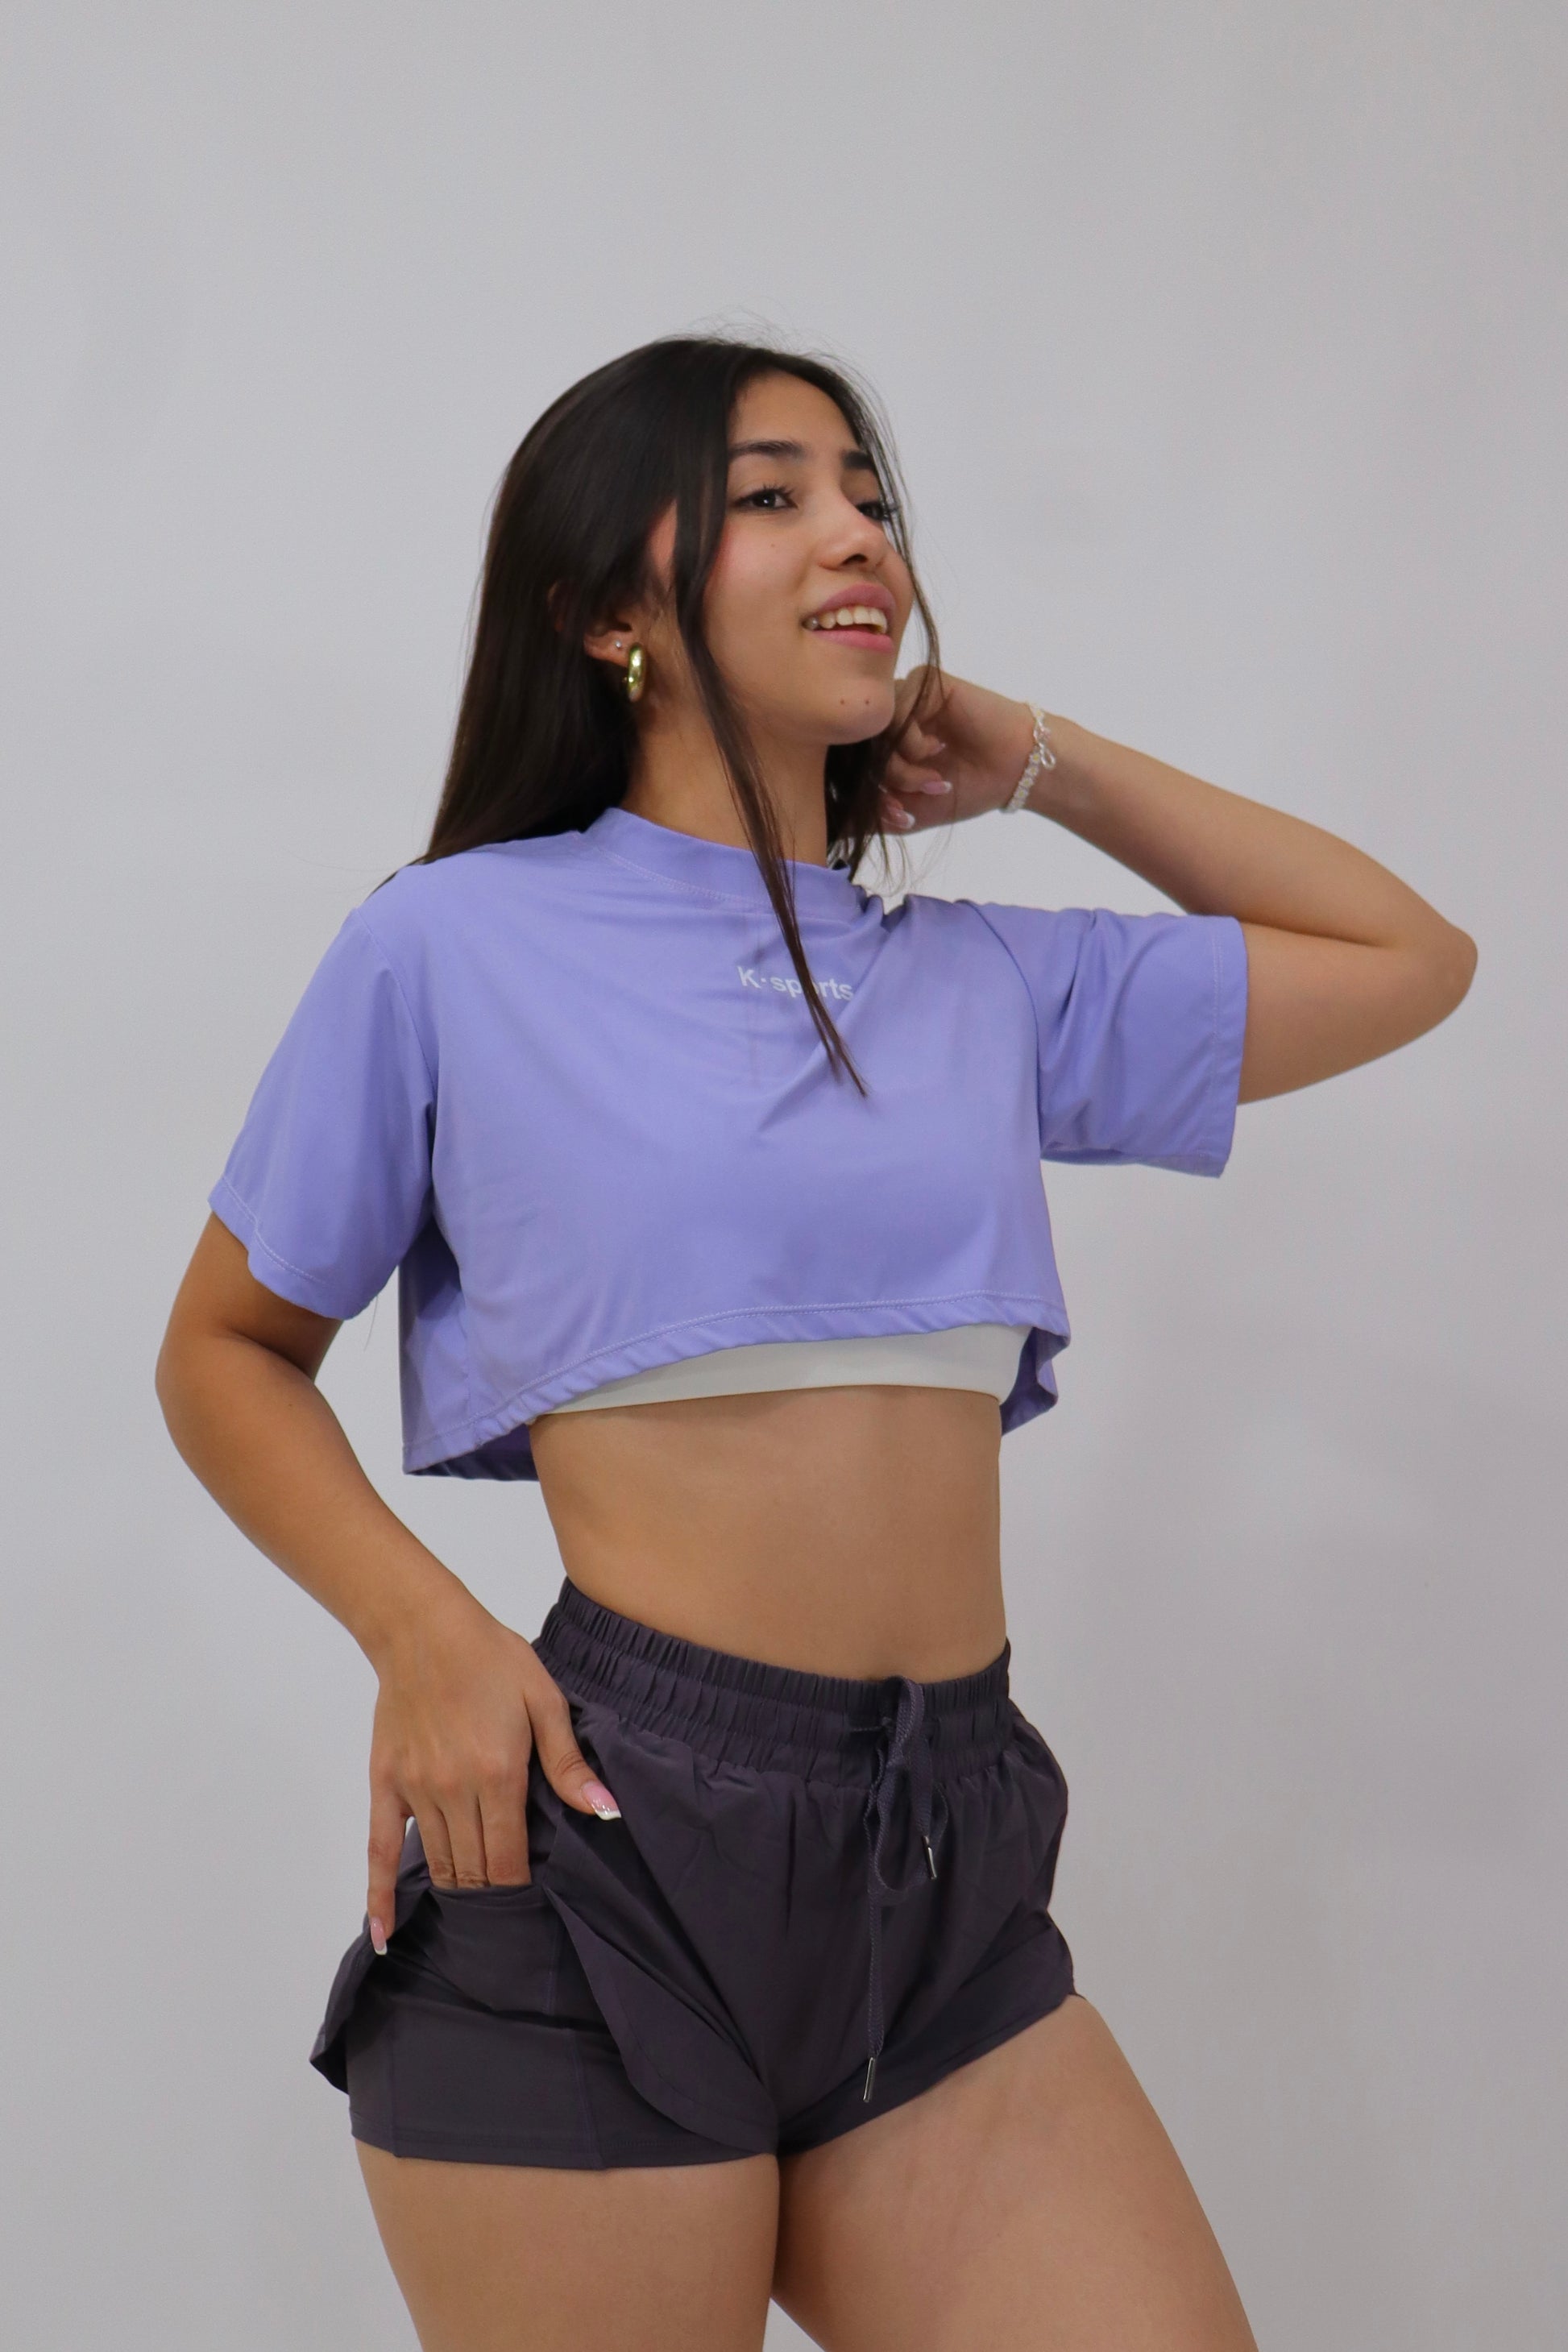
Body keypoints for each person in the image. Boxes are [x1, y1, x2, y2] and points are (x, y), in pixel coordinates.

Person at [155, 334, 1475, 2352]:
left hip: (946, 1869)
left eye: (868, 494)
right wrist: (425, 1635)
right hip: (603, 1851)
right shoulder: (452, 945)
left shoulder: (973, 982)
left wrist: (1034, 757)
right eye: (770, 493)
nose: (856, 532)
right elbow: (226, 1348)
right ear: (607, 616)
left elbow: (1407, 959)